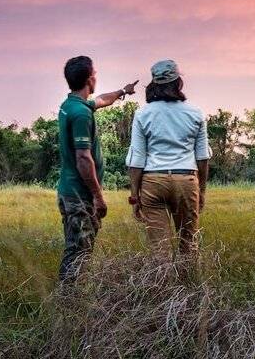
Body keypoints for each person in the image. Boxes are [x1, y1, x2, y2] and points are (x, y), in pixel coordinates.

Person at [57, 56, 138, 282]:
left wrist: (124, 91)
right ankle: (69, 306)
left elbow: (101, 100)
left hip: (68, 191)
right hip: (79, 195)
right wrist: (98, 197)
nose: (96, 77)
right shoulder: (81, 114)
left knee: (76, 248)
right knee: (78, 254)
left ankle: (70, 302)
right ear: (90, 78)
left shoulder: (71, 105)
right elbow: (84, 158)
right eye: (95, 73)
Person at [126, 59, 211, 261]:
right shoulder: (196, 113)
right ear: (178, 82)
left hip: (153, 182)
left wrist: (134, 195)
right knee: (188, 246)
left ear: (154, 83)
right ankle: (189, 291)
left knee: (159, 251)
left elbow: (137, 159)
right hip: (186, 181)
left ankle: (162, 292)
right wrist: (202, 192)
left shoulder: (142, 113)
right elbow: (202, 158)